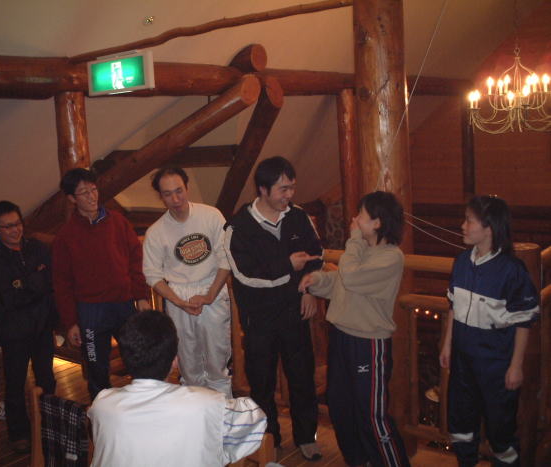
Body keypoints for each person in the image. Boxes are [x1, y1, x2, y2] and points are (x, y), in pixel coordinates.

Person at [299, 191, 410, 467]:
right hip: (342, 337)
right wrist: (317, 280)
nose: (354, 219)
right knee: (340, 408)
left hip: (368, 343)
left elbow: (351, 276)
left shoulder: (391, 257)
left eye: (361, 215)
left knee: (372, 416)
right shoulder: (363, 252)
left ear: (377, 223)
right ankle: (359, 461)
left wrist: (354, 239)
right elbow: (341, 281)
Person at [224, 156, 323, 461]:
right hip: (259, 319)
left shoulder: (298, 217)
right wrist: (287, 265)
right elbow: (246, 276)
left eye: (292, 187)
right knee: (261, 384)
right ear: (263, 190)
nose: (289, 195)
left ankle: (307, 437)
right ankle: (270, 441)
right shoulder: (238, 227)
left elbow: (316, 255)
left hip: (295, 313)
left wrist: (308, 288)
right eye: (283, 189)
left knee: (303, 378)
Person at [88, 310, 266, 467]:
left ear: (125, 360)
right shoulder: (206, 404)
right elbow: (257, 419)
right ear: (175, 361)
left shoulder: (102, 404)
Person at [439, 195, 539, 467]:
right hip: (462, 361)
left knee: (500, 428)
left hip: (495, 363)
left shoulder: (512, 270)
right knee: (461, 423)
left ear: (489, 228)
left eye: (469, 221)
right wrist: (447, 345)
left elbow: (523, 322)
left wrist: (516, 366)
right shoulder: (462, 261)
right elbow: (453, 306)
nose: (463, 226)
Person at [52, 168, 150, 401]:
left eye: (94, 190)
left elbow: (136, 259)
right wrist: (71, 322)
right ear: (72, 198)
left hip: (123, 303)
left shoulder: (118, 222)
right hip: (90, 310)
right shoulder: (66, 236)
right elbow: (62, 283)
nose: (92, 196)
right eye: (84, 192)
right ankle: (101, 414)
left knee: (138, 358)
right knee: (96, 367)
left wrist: (141, 296)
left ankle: (144, 405)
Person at [143, 167, 232, 397]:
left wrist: (210, 295)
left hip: (212, 287)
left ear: (187, 188)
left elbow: (226, 258)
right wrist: (179, 301)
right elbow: (152, 275)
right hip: (178, 296)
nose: (175, 199)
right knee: (189, 365)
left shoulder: (211, 216)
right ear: (160, 196)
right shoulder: (156, 231)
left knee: (218, 362)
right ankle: (194, 413)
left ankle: (222, 413)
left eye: (179, 191)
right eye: (167, 194)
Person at [0, 201, 56, 453]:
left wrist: (25, 283)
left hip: (42, 325)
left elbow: (50, 282)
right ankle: (18, 433)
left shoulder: (37, 247)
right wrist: (35, 281)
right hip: (14, 331)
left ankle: (49, 425)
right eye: (8, 227)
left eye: (17, 223)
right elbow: (10, 298)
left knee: (47, 378)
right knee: (14, 383)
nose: (15, 230)